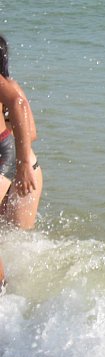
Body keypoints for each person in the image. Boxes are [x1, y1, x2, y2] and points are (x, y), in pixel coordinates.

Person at [0, 35, 43, 230]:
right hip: (18, 162)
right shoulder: (9, 87)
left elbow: (31, 132)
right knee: (10, 240)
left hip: (18, 165)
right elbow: (31, 133)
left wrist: (23, 164)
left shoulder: (10, 90)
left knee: (16, 239)